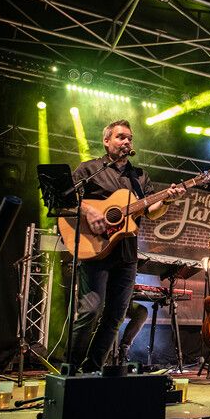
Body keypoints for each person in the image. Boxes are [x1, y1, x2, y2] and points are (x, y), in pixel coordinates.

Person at [70, 119, 186, 373]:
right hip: (96, 251)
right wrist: (89, 211)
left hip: (126, 253)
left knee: (114, 317)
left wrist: (168, 200)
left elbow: (152, 212)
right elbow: (64, 201)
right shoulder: (89, 169)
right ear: (106, 140)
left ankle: (91, 369)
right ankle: (69, 370)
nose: (126, 142)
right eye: (121, 137)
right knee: (90, 311)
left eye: (129, 138)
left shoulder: (140, 177)